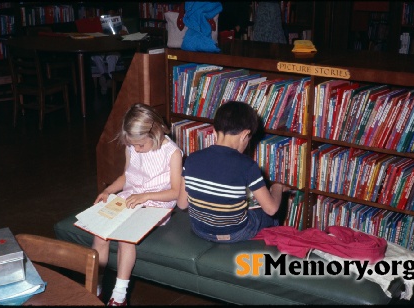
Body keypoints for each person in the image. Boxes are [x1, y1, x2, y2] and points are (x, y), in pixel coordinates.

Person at [92, 103, 183, 306]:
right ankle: (95, 288)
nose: (136, 149)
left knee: (126, 237)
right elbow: (126, 176)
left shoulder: (172, 153)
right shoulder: (132, 147)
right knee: (100, 234)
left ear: (155, 132)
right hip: (131, 197)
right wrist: (109, 190)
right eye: (132, 145)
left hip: (158, 203)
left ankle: (119, 295)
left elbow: (175, 192)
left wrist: (145, 196)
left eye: (140, 145)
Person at [177, 101, 290, 243]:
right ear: (245, 135)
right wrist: (276, 188)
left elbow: (182, 204)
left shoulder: (192, 159)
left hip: (199, 230)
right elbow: (271, 209)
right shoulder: (247, 165)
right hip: (235, 233)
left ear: (213, 131)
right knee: (269, 215)